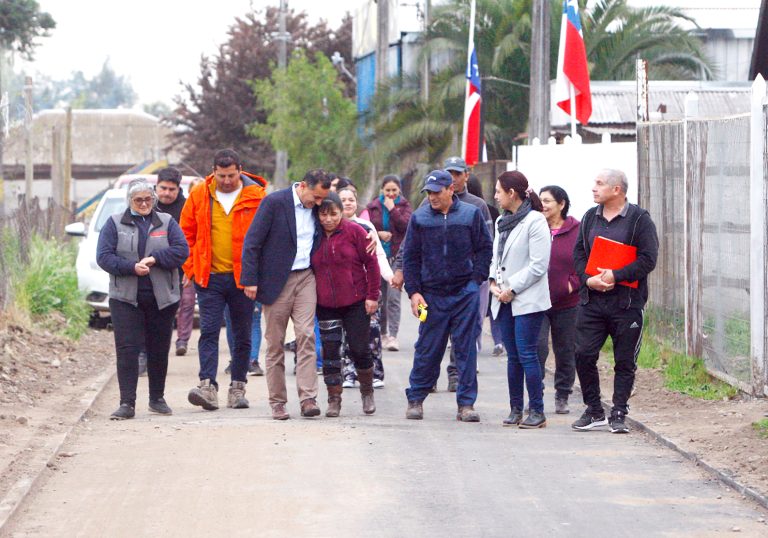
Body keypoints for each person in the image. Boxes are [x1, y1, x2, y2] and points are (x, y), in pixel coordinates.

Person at [240, 169, 333, 420]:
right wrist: (249, 279)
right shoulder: (274, 202)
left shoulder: (319, 202)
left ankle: (308, 398)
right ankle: (278, 402)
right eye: (315, 197)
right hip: (276, 281)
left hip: (306, 277)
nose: (318, 204)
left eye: (322, 199)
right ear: (302, 186)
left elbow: (339, 222)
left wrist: (368, 234)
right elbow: (252, 241)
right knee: (275, 343)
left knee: (305, 335)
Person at [571, 169, 658, 434]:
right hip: (592, 302)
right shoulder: (589, 217)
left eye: (599, 184)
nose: (594, 188)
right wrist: (588, 280)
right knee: (583, 354)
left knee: (624, 361)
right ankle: (594, 410)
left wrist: (616, 275)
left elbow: (648, 259)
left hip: (626, 303)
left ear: (617, 189)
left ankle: (619, 412)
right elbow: (579, 255)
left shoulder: (639, 219)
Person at [179, 149, 267, 411]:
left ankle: (238, 387)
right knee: (208, 331)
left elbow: (266, 237)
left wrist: (259, 275)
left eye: (230, 175)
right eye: (221, 175)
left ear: (240, 170)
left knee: (241, 333)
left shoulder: (257, 197)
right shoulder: (199, 195)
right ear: (213, 172)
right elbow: (186, 233)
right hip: (209, 277)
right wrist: (191, 266)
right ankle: (207, 386)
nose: (226, 180)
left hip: (244, 279)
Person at [402, 170, 493, 422]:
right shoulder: (419, 218)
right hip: (430, 295)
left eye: (436, 192)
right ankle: (416, 398)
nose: (432, 197)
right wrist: (414, 292)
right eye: (428, 192)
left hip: (465, 293)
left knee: (465, 350)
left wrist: (476, 281)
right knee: (427, 348)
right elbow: (410, 257)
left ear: (450, 189)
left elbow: (485, 249)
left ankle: (466, 404)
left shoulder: (470, 214)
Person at [97, 179, 189, 419]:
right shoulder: (114, 223)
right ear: (130, 201)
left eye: (148, 199)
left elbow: (181, 250)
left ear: (154, 200)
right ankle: (127, 403)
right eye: (139, 200)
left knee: (159, 349)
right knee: (127, 350)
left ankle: (156, 398)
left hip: (162, 298)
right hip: (125, 299)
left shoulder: (166, 222)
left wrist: (155, 259)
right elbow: (104, 257)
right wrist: (131, 267)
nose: (144, 203)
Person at [424, 157, 493, 391]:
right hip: (434, 287)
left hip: (468, 283)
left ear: (466, 176)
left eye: (456, 173)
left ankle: (457, 377)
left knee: (464, 334)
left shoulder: (476, 207)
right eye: (448, 173)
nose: (453, 177)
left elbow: (487, 244)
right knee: (430, 335)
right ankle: (428, 378)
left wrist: (477, 277)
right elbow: (413, 246)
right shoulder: (428, 206)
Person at [489, 171, 551, 429]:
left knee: (527, 354)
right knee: (512, 356)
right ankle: (515, 408)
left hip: (526, 299)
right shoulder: (501, 221)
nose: (495, 196)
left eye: (498, 191)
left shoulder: (535, 221)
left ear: (511, 193)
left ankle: (536, 410)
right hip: (502, 298)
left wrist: (511, 289)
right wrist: (493, 282)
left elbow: (538, 266)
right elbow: (497, 257)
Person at [312, 192, 381, 416]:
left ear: (342, 212)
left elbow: (372, 264)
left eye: (334, 214)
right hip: (325, 304)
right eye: (324, 214)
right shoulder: (313, 234)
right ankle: (334, 399)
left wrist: (372, 296)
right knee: (330, 351)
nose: (329, 219)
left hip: (356, 302)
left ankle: (367, 392)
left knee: (360, 348)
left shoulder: (356, 232)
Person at [339, 186, 393, 388]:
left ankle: (375, 373)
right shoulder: (331, 227)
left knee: (372, 332)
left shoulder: (366, 226)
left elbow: (379, 256)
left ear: (356, 202)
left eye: (351, 199)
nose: (347, 203)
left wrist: (390, 278)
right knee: (346, 333)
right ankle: (349, 373)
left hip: (368, 289)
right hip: (344, 291)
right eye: (343, 199)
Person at [536, 185, 580, 415]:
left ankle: (563, 394)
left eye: (548, 201)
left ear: (561, 204)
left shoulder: (577, 230)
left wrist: (572, 283)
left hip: (568, 303)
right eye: (540, 200)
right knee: (538, 348)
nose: (542, 204)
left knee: (565, 350)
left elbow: (586, 261)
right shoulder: (535, 227)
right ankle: (536, 394)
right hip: (538, 301)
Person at [365, 175, 412, 352]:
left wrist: (393, 210)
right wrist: (379, 233)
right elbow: (366, 227)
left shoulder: (405, 206)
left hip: (397, 258)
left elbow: (406, 227)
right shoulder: (373, 206)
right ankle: (382, 333)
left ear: (399, 190)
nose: (391, 193)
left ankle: (393, 335)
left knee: (394, 297)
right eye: (388, 190)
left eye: (394, 190)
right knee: (380, 297)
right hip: (377, 258)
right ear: (382, 190)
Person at [153, 167, 192, 358]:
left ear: (179, 189)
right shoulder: (147, 205)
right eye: (163, 188)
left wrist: (189, 270)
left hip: (181, 268)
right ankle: (150, 351)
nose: (166, 193)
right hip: (152, 268)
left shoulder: (187, 208)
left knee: (183, 304)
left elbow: (193, 239)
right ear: (156, 186)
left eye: (171, 189)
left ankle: (181, 340)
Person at [468, 174, 503, 357]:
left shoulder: (483, 209)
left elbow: (488, 241)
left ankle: (474, 347)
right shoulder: (492, 210)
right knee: (487, 309)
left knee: (480, 309)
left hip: (483, 270)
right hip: (489, 267)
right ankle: (495, 342)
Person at [173, 175, 204, 357]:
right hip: (181, 263)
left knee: (188, 302)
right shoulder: (185, 208)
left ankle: (182, 339)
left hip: (196, 265)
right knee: (175, 303)